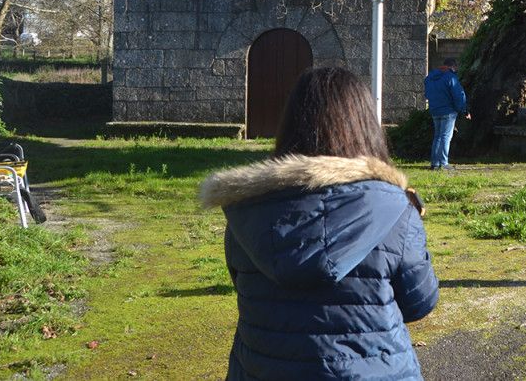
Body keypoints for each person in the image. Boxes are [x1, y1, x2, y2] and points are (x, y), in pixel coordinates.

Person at [200, 66, 439, 380]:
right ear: (366, 126)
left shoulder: (248, 210)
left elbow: (246, 292)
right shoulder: (395, 209)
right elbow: (419, 302)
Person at [424, 56, 469, 170]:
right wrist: (463, 110)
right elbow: (459, 95)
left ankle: (435, 163)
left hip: (435, 110)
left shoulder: (430, 77)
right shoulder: (451, 77)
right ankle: (444, 163)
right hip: (448, 111)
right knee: (445, 137)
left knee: (438, 136)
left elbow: (427, 94)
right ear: (452, 67)